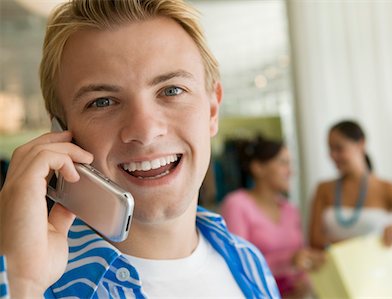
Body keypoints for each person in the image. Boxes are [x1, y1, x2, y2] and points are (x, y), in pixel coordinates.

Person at [0, 0, 280, 298]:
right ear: (61, 134)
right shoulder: (34, 281)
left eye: (171, 90)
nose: (145, 131)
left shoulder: (249, 261)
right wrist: (21, 282)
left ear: (212, 111)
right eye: (102, 101)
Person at [309, 120, 392, 250]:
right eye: (330, 149)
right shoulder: (323, 189)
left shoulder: (388, 188)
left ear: (361, 144)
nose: (333, 155)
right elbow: (314, 240)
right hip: (338, 267)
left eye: (339, 148)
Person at [221, 137, 324, 298]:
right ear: (258, 168)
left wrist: (305, 283)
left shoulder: (290, 209)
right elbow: (238, 263)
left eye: (290, 164)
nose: (290, 171)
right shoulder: (236, 205)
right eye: (283, 163)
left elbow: (300, 260)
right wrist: (288, 261)